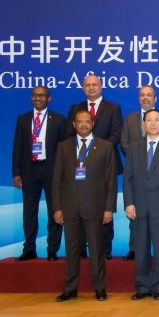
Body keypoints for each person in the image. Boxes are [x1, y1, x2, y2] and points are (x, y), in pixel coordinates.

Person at [53, 110, 117, 302]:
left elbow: (110, 181)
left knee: (96, 250)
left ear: (93, 123)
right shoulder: (63, 147)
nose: (83, 125)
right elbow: (57, 179)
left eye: (87, 122)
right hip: (70, 206)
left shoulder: (105, 147)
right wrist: (57, 207)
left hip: (95, 206)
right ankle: (70, 288)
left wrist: (108, 208)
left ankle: (99, 288)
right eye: (80, 122)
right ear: (74, 124)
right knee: (71, 250)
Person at [123, 110, 159, 301]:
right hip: (139, 206)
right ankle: (142, 286)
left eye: (157, 120)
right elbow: (127, 177)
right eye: (149, 120)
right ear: (143, 124)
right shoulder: (134, 146)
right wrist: (128, 202)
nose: (153, 123)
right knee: (140, 249)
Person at [65, 74, 122, 260]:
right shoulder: (75, 108)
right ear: (83, 88)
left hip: (104, 165)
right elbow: (69, 134)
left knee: (105, 207)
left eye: (94, 85)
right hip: (78, 166)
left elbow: (116, 134)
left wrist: (97, 153)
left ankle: (105, 249)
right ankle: (81, 247)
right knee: (79, 206)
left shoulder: (113, 108)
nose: (91, 88)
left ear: (101, 86)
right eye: (87, 85)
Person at [119, 85, 159, 261]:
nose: (145, 98)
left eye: (149, 95)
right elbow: (124, 143)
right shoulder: (130, 118)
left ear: (155, 98)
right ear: (138, 98)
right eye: (142, 95)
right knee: (136, 218)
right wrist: (139, 158)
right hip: (137, 172)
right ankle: (134, 248)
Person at [11, 86, 65, 261]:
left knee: (55, 210)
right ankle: (29, 249)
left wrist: (63, 172)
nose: (38, 98)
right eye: (35, 95)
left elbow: (64, 149)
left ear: (49, 98)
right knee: (29, 212)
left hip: (52, 170)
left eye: (42, 95)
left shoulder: (59, 119)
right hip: (29, 170)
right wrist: (16, 172)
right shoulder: (23, 119)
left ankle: (52, 250)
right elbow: (17, 146)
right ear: (31, 97)